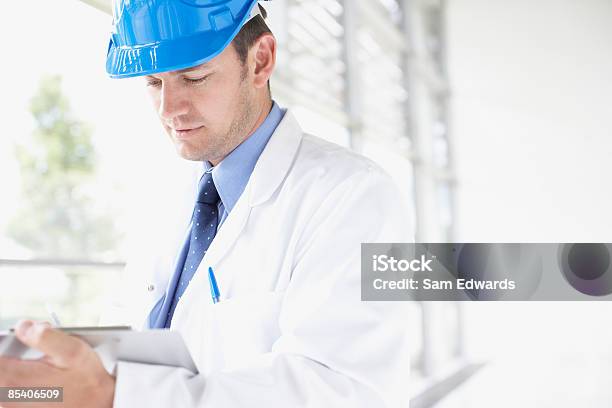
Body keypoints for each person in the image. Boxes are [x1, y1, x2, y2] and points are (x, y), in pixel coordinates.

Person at [0, 1, 413, 406]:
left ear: (259, 61)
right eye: (153, 82)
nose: (169, 110)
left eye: (194, 77)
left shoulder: (357, 195)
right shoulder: (166, 194)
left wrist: (116, 395)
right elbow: (152, 340)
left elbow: (346, 390)